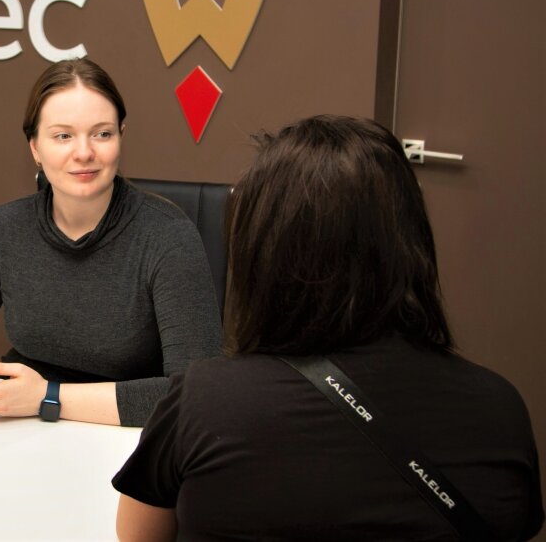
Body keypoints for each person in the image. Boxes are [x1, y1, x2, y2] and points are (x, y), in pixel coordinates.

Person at [113, 115, 544, 540]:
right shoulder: (501, 409)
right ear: (412, 241)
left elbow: (137, 535)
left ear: (264, 253)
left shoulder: (204, 401)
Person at [0, 57, 222, 427]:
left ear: (121, 136)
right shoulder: (5, 228)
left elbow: (195, 394)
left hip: (124, 438)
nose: (84, 152)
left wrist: (47, 397)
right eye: (63, 136)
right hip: (21, 429)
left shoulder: (168, 236)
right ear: (35, 148)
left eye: (102, 134)